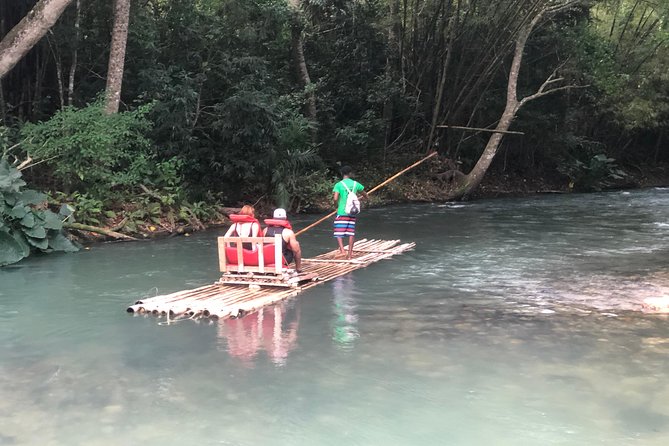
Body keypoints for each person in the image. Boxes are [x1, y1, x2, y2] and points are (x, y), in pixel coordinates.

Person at [333, 166, 368, 259]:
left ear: (342, 173)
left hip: (342, 211)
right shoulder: (356, 184)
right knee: (351, 232)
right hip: (352, 212)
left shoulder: (338, 185)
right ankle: (349, 254)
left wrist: (336, 206)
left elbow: (335, 198)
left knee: (338, 232)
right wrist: (366, 198)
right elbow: (365, 194)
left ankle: (342, 250)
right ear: (350, 173)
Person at [263, 208, 303, 272]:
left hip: (266, 259)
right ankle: (298, 268)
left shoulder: (265, 230)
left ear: (273, 218)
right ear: (285, 218)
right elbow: (296, 250)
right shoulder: (288, 232)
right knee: (296, 247)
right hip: (281, 260)